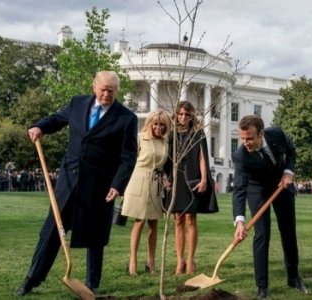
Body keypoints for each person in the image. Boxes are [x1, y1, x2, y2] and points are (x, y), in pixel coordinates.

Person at [16, 71, 138, 296]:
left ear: (117, 91)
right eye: (102, 89)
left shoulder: (126, 118)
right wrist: (39, 126)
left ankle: (92, 284)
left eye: (111, 91)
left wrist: (117, 184)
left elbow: (128, 156)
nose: (106, 94)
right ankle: (32, 279)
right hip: (69, 180)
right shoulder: (77, 103)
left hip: (100, 186)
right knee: (52, 231)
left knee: (95, 236)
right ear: (94, 87)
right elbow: (56, 119)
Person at [232, 115, 307, 299]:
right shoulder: (240, 156)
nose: (245, 143)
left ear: (261, 134)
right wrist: (240, 221)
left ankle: (293, 277)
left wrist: (288, 172)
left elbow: (291, 151)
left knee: (288, 232)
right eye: (242, 138)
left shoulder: (277, 135)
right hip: (257, 191)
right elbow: (240, 189)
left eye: (249, 138)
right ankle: (262, 287)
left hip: (282, 186)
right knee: (262, 235)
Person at [164, 101, 218, 275]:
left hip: (193, 178)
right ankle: (180, 261)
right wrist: (166, 179)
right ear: (176, 114)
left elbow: (202, 158)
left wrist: (203, 180)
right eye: (180, 114)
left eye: (187, 114)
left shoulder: (197, 133)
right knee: (178, 219)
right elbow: (165, 159)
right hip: (175, 179)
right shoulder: (171, 134)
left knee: (190, 219)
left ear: (192, 116)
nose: (183, 117)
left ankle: (190, 260)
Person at [121, 110, 172, 276]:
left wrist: (165, 180)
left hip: (156, 184)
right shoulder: (139, 138)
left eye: (162, 125)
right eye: (155, 124)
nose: (158, 127)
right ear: (150, 124)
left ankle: (151, 261)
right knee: (139, 221)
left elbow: (162, 166)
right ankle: (133, 261)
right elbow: (128, 161)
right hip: (138, 180)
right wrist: (121, 184)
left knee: (154, 223)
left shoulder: (166, 143)